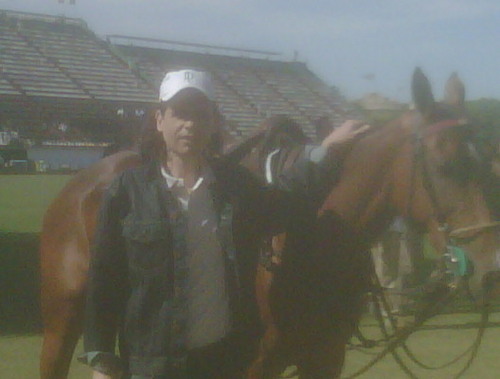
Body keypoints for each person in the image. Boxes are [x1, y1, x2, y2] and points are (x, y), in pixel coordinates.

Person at [79, 69, 370, 379]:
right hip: (152, 365)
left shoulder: (236, 188)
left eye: (200, 115)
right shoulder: (126, 191)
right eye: (180, 114)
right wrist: (102, 359)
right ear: (160, 120)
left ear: (213, 122)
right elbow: (105, 278)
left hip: (222, 363)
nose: (190, 124)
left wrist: (327, 151)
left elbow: (288, 196)